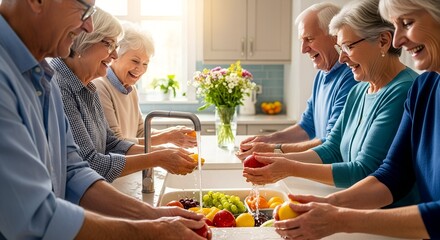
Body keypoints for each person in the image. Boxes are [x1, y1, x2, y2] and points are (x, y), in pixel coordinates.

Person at [0, 0, 209, 239]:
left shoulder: (45, 77)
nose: (88, 25)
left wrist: (151, 215)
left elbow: (73, 172)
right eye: (84, 9)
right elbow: (34, 217)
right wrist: (151, 230)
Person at [272, 0, 440, 239]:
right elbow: (393, 175)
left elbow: (365, 169)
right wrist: (326, 204)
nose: (397, 41)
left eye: (408, 23)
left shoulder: (405, 87)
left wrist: (339, 218)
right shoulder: (424, 88)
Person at [243, 0, 420, 207]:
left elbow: (363, 170)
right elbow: (332, 150)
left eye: (348, 46)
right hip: (358, 211)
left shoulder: (404, 91)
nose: (342, 58)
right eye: (340, 47)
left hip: (388, 222)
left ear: (383, 41)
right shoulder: (360, 90)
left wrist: (289, 167)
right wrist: (277, 155)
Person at [51, 8, 197, 183]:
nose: (114, 55)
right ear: (85, 39)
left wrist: (162, 152)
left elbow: (111, 144)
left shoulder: (88, 87)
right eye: (109, 45)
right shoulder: (60, 86)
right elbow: (90, 163)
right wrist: (158, 158)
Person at [236, 3, 357, 160]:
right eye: (302, 40)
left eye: (309, 39)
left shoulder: (351, 78)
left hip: (335, 176)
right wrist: (268, 139)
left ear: (335, 36)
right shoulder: (322, 75)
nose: (303, 49)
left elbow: (331, 142)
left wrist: (273, 149)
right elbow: (307, 126)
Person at [93, 22, 197, 147]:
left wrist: (172, 134)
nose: (140, 69)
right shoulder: (100, 87)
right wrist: (168, 137)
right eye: (135, 61)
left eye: (145, 63)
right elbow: (117, 144)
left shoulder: (131, 89)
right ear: (116, 56)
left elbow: (140, 132)